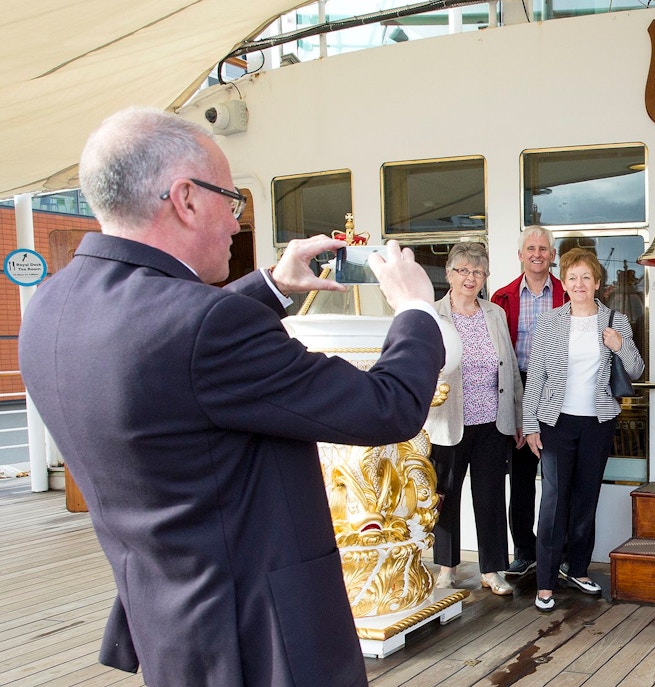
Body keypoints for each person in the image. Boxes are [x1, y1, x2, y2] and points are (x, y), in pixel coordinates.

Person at [17, 107, 445, 687]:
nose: (238, 223)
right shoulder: (203, 327)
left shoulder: (52, 306)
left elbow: (164, 344)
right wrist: (416, 309)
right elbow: (386, 406)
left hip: (170, 623)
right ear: (186, 199)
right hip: (262, 639)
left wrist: (272, 284)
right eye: (233, 199)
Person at [522, 248, 643, 612]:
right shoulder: (550, 322)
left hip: (597, 423)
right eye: (572, 277)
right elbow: (536, 378)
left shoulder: (614, 320)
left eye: (586, 278)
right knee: (554, 501)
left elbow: (635, 370)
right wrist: (530, 426)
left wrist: (619, 345)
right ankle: (545, 582)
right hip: (556, 422)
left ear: (598, 283)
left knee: (586, 498)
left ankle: (577, 568)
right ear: (564, 282)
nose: (579, 284)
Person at [426, 242, 522, 596]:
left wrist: (519, 418)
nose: (470, 278)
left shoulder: (494, 313)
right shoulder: (432, 315)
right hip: (446, 423)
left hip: (492, 424)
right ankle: (446, 568)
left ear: (485, 278)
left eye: (478, 272)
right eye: (463, 271)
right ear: (449, 274)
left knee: (490, 497)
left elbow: (509, 367)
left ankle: (492, 569)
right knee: (445, 496)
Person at [491, 226, 568, 577]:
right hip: (518, 388)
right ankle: (524, 550)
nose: (537, 253)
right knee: (521, 479)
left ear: (552, 256)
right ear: (520, 255)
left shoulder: (569, 293)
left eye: (543, 248)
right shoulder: (502, 297)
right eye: (530, 248)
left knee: (559, 477)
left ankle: (559, 551)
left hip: (559, 390)